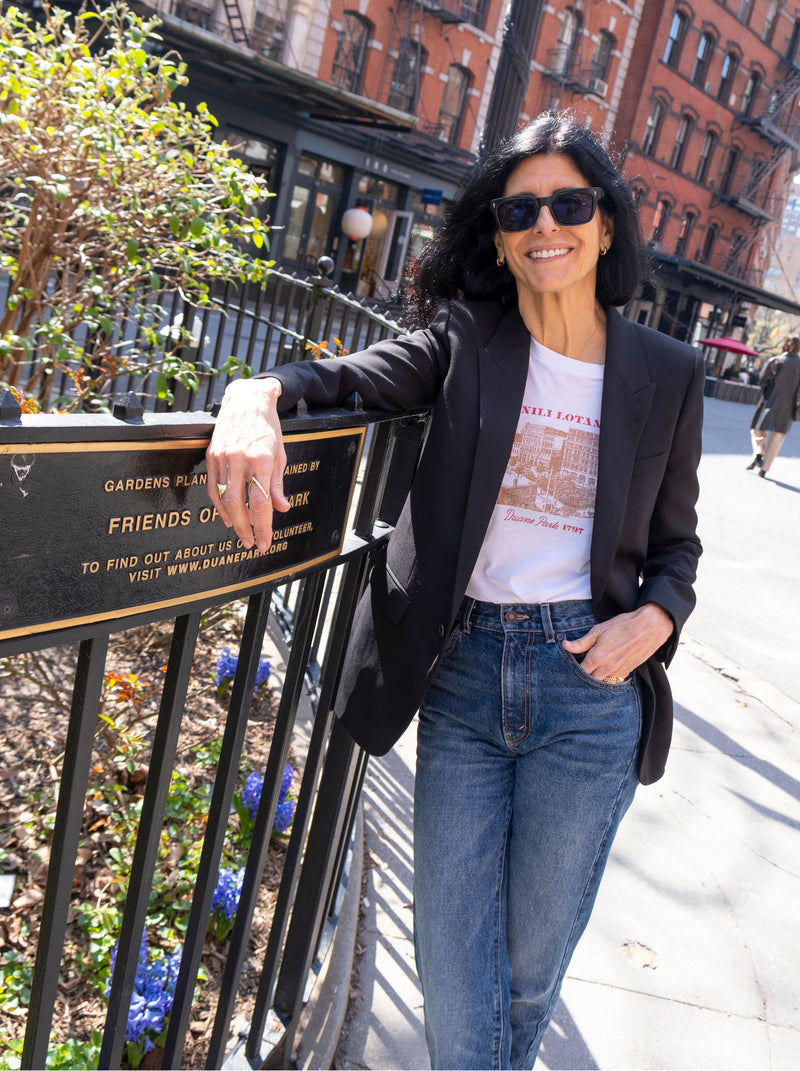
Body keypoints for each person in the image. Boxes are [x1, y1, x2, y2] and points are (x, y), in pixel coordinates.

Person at [206, 111, 704, 1070]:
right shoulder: (467, 340)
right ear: (500, 236)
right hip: (466, 679)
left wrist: (658, 614)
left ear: (605, 226)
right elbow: (351, 375)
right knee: (452, 962)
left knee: (524, 975)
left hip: (589, 685)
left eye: (570, 203)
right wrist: (252, 393)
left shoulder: (667, 373)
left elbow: (676, 543)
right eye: (521, 210)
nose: (545, 224)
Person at [747, 334, 800, 477]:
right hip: (789, 407)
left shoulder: (776, 360)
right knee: (778, 437)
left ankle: (759, 453)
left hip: (770, 401)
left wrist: (768, 394)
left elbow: (763, 381)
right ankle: (764, 468)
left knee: (757, 430)